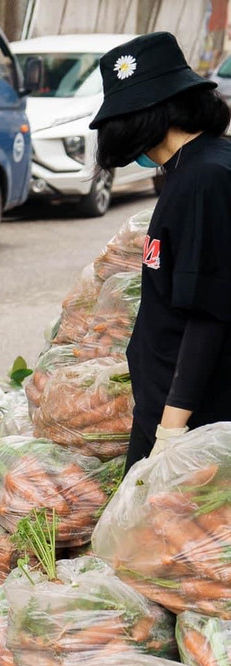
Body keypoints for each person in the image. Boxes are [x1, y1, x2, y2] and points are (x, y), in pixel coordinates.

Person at [91, 32, 231, 467]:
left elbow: (208, 311)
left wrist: (171, 429)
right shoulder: (192, 167)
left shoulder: (205, 178)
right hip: (171, 408)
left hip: (192, 421)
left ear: (148, 113)